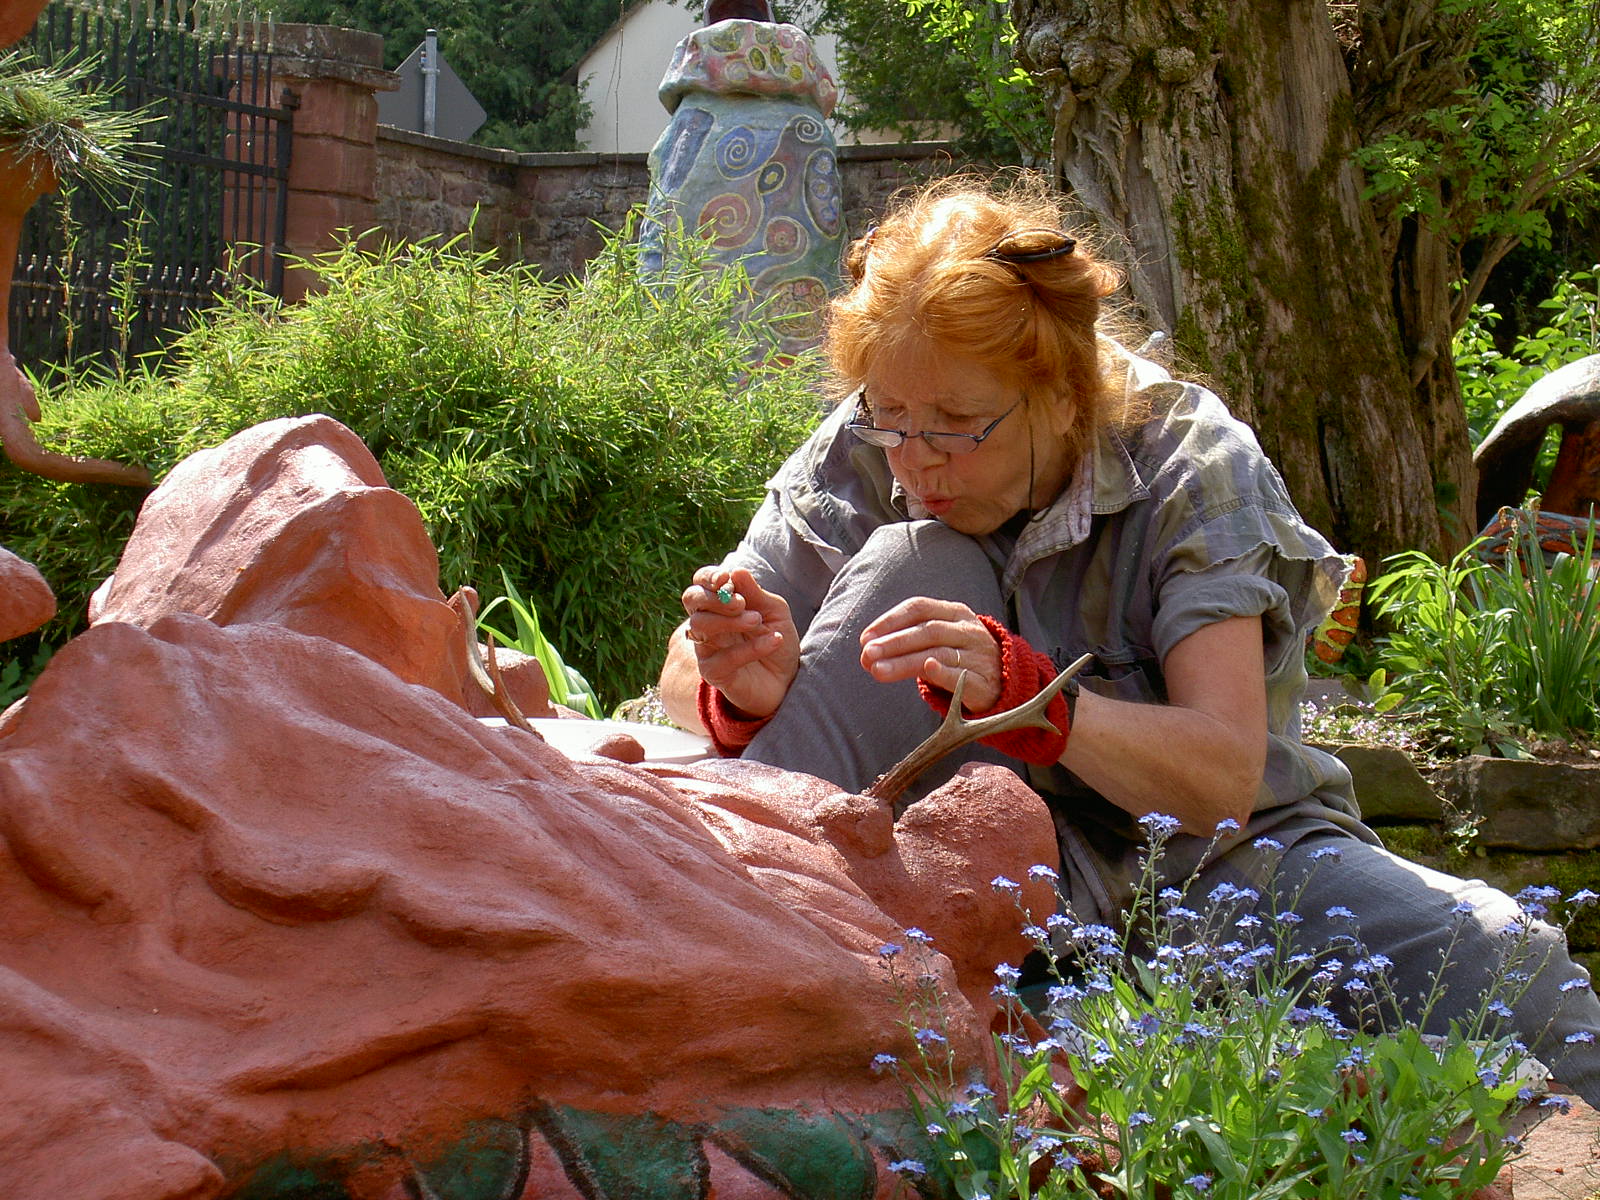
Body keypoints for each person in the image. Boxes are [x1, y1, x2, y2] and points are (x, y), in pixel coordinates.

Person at [658, 173, 1600, 1104]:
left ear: (1065, 395)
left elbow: (1224, 778)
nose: (914, 457)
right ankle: (725, 993)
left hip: (1215, 867)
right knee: (919, 560)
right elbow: (681, 667)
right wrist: (746, 689)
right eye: (892, 418)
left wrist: (1038, 703)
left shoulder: (1189, 457)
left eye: (956, 426)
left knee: (1516, 973)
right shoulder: (872, 439)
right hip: (969, 878)